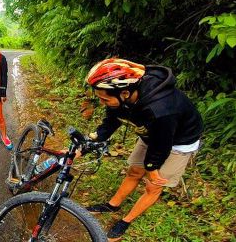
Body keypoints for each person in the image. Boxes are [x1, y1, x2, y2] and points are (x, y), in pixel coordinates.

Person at [84, 58, 202, 241]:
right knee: (134, 172)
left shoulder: (161, 109)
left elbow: (162, 144)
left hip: (178, 140)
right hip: (152, 131)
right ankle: (112, 205)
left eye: (104, 99)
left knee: (153, 184)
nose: (101, 102)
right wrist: (95, 137)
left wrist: (152, 167)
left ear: (124, 93)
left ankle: (126, 221)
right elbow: (112, 119)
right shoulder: (123, 96)